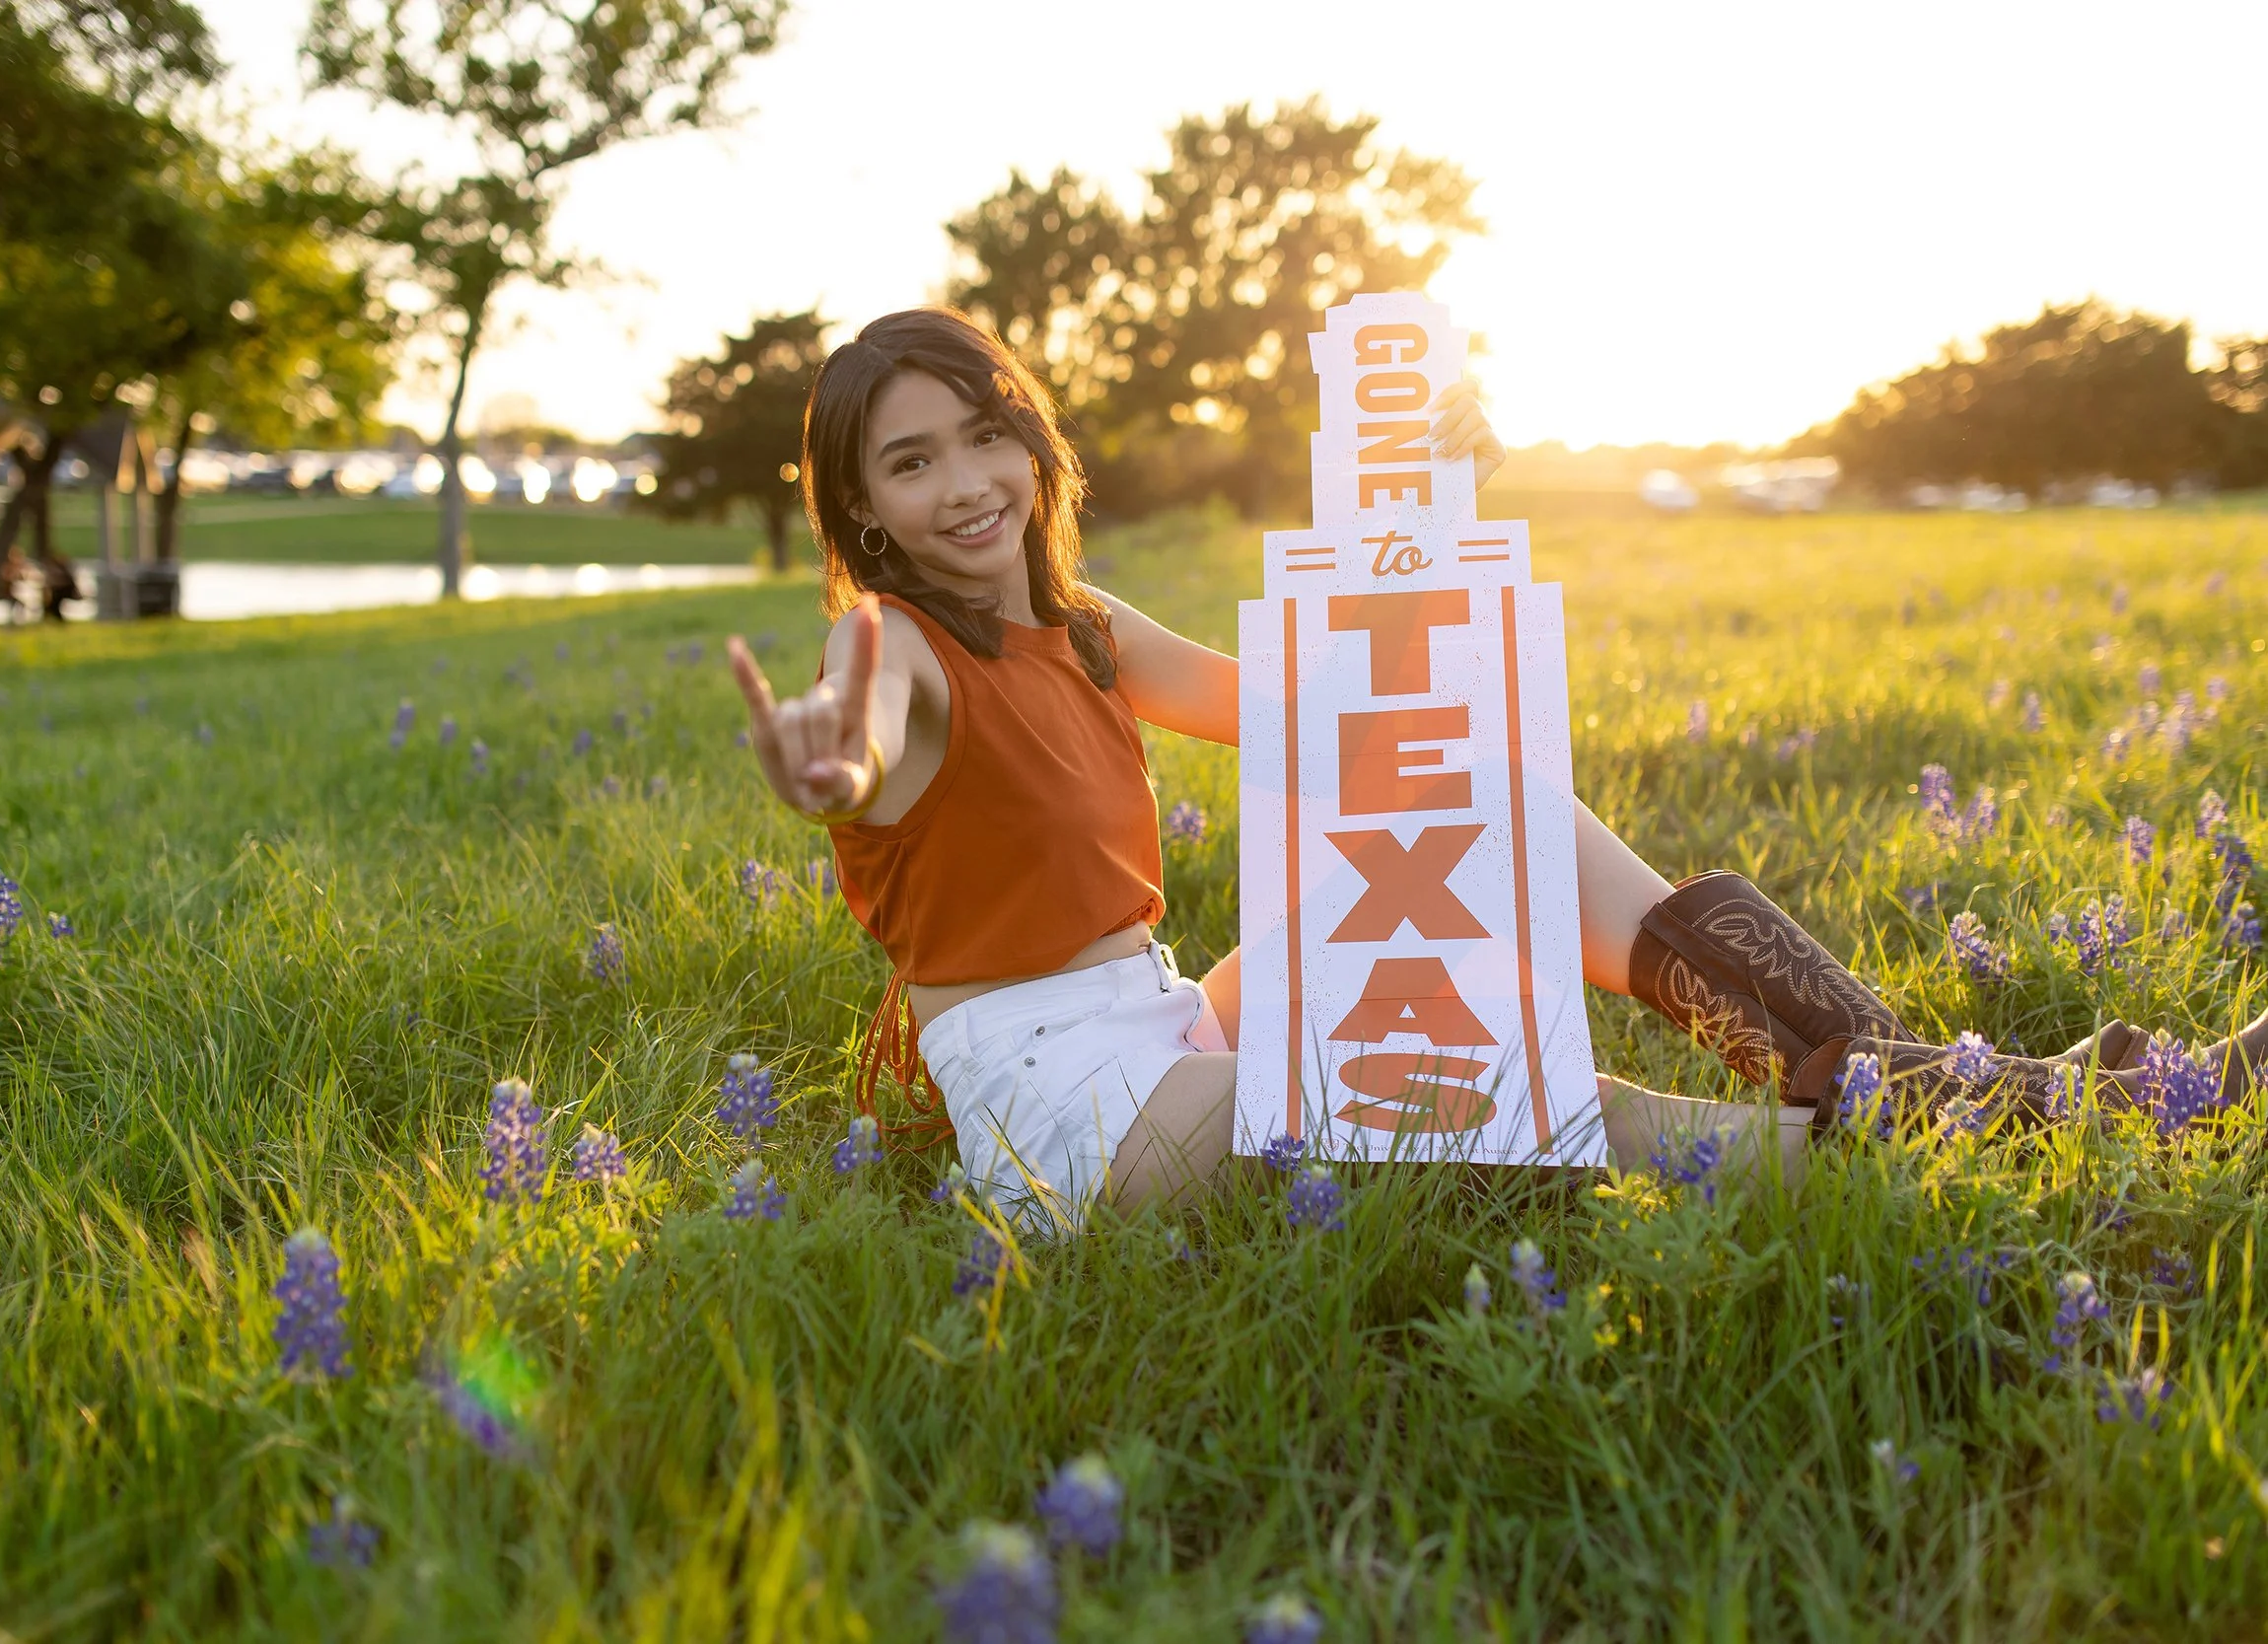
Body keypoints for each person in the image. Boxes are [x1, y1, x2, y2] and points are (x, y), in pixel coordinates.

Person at [727, 307, 2236, 1229]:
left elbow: (1334, 711)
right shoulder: (898, 651)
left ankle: (1876, 1072)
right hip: (1059, 1109)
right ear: (860, 512)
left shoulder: (1086, 626)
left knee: (1497, 816)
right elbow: (867, 733)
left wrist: (1433, 492)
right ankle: (1923, 1139)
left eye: (980, 437)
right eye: (908, 465)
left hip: (1166, 1015)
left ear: (1029, 443)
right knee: (1448, 1070)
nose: (962, 485)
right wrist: (832, 765)